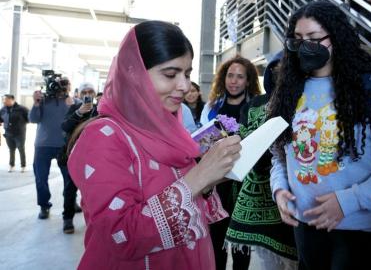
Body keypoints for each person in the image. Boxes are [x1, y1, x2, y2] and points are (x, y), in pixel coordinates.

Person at [67, 20, 242, 269]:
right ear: (132, 73)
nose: (184, 86)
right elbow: (119, 235)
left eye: (187, 74)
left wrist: (213, 176)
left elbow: (178, 193)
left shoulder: (171, 130)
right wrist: (200, 176)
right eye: (170, 74)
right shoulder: (103, 137)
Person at [269, 1, 371, 269]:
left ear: (337, 38)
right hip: (305, 228)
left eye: (314, 39)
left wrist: (348, 201)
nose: (304, 46)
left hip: (359, 233)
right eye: (297, 40)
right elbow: (279, 156)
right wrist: (280, 190)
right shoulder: (288, 91)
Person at [225, 51, 298, 270]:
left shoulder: (304, 100)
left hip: (293, 182)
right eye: (275, 69)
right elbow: (246, 135)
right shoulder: (255, 104)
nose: (280, 74)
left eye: (286, 69)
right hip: (257, 186)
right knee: (270, 263)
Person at [201, 55, 261, 270]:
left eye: (240, 77)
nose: (234, 81)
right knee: (216, 242)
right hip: (217, 183)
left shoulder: (256, 108)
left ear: (248, 81)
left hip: (244, 185)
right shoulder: (211, 107)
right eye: (230, 75)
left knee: (240, 243)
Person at [29, 76, 75, 220]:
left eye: (65, 84)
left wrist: (71, 105)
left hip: (64, 146)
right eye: (60, 84)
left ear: (69, 86)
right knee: (41, 178)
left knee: (70, 179)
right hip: (43, 146)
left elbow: (77, 120)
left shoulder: (72, 101)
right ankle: (44, 206)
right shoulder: (43, 101)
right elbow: (33, 119)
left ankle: (71, 202)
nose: (61, 87)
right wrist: (36, 104)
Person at [59, 82, 98, 234]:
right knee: (70, 189)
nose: (87, 95)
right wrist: (79, 113)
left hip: (94, 157)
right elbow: (65, 127)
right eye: (84, 92)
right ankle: (67, 219)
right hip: (73, 156)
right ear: (79, 94)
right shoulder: (74, 109)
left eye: (90, 91)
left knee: (94, 190)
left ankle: (95, 220)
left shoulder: (99, 109)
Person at [0, 94, 29, 172]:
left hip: (19, 133)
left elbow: (29, 119)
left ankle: (23, 166)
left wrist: (20, 124)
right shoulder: (3, 109)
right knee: (11, 149)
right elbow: (1, 119)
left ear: (12, 100)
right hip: (8, 133)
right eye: (3, 100)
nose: (4, 101)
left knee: (21, 148)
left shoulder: (22, 109)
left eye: (5, 99)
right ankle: (11, 165)